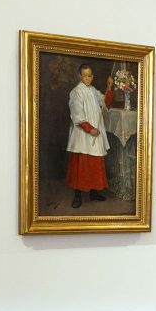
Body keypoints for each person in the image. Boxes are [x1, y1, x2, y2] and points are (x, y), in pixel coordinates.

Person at [65, 64, 112, 208]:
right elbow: (77, 114)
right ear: (80, 76)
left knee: (94, 163)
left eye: (90, 75)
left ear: (93, 76)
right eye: (85, 75)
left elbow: (105, 102)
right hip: (83, 134)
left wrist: (109, 88)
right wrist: (89, 129)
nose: (87, 78)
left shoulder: (93, 91)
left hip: (95, 132)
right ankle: (77, 195)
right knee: (81, 165)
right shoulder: (76, 92)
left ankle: (93, 192)